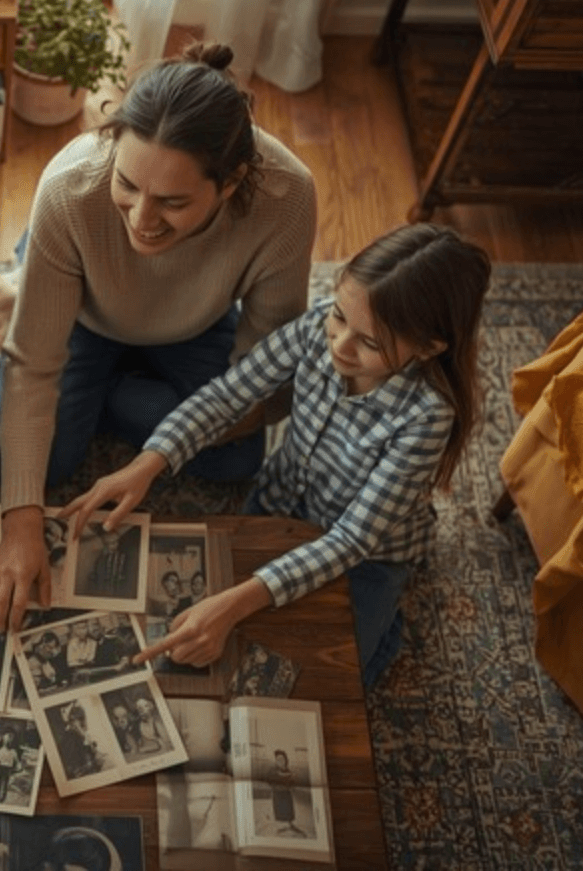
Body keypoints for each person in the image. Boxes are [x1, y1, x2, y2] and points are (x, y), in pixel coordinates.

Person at [0, 42, 316, 634]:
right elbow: (34, 368)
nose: (141, 219)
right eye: (128, 185)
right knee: (42, 464)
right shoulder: (71, 185)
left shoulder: (287, 196)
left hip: (193, 322)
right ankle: (30, 277)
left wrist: (159, 454)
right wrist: (21, 524)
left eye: (173, 202)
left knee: (238, 456)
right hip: (82, 309)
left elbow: (265, 369)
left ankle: (90, 371)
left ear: (233, 182)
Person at [64, 223, 491, 687]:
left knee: (327, 676)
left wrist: (237, 602)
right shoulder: (316, 327)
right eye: (341, 316)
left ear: (428, 348)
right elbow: (226, 397)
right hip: (279, 501)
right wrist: (149, 463)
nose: (339, 346)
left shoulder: (427, 415)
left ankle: (388, 624)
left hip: (370, 552)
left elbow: (352, 539)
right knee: (203, 627)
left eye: (369, 342)